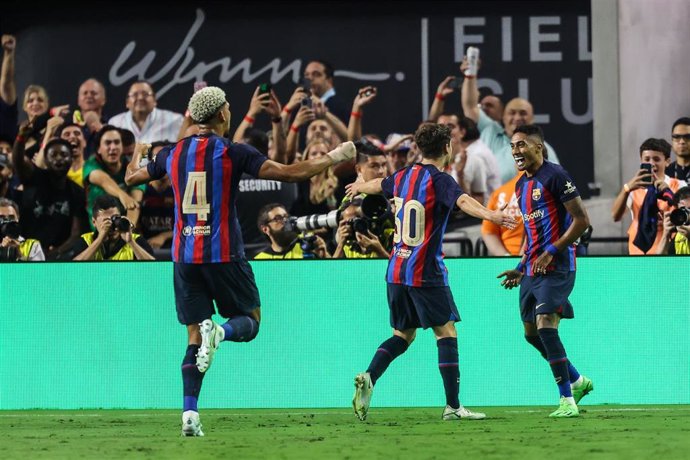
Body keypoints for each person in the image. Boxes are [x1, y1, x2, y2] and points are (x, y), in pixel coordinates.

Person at [124, 86, 356, 436]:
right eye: (229, 107)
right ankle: (221, 332)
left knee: (192, 336)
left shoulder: (172, 154)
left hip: (185, 257)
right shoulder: (232, 152)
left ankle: (189, 413)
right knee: (250, 321)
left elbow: (131, 177)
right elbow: (291, 173)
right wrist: (335, 155)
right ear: (220, 114)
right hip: (224, 253)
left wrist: (139, 153)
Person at [346, 123, 517, 422]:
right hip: (425, 271)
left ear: (421, 149)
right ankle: (453, 407)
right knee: (446, 331)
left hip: (396, 271)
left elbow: (379, 184)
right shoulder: (440, 180)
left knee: (402, 334)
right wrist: (492, 215)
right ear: (448, 148)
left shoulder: (403, 176)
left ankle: (370, 377)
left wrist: (359, 186)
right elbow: (462, 201)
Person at [497, 124, 592, 418]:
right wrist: (520, 266)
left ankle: (567, 400)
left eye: (522, 145)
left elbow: (582, 220)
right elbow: (531, 233)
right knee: (530, 333)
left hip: (559, 265)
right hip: (532, 268)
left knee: (546, 324)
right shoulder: (520, 185)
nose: (516, 151)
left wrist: (552, 251)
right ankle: (576, 380)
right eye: (513, 146)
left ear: (539, 147)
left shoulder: (557, 176)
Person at [611, 138, 686, 255]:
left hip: (669, 252)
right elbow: (615, 217)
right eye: (647, 159)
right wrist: (627, 189)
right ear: (641, 161)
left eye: (656, 159)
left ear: (667, 161)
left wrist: (669, 192)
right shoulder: (633, 188)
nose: (652, 163)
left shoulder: (679, 185)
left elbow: (686, 216)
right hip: (639, 254)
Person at [72, 194, 155, 261]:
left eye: (115, 218)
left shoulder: (135, 240)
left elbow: (154, 269)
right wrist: (100, 238)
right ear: (94, 222)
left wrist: (131, 242)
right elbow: (74, 268)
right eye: (106, 221)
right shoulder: (86, 240)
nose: (112, 225)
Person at [108, 81, 183, 143]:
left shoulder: (175, 120)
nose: (140, 98)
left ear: (154, 100)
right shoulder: (115, 123)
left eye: (145, 94)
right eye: (135, 95)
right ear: (127, 102)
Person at [254, 203, 330, 259]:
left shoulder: (307, 242)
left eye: (286, 216)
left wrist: (324, 255)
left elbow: (331, 274)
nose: (285, 221)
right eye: (278, 218)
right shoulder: (260, 259)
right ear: (265, 229)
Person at [656, 186, 690, 255]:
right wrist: (665, 235)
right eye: (682, 210)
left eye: (689, 209)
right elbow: (657, 263)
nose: (686, 214)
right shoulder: (679, 235)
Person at [666, 117, 690, 183]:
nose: (682, 141)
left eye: (687, 137)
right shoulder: (664, 173)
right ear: (672, 140)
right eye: (677, 137)